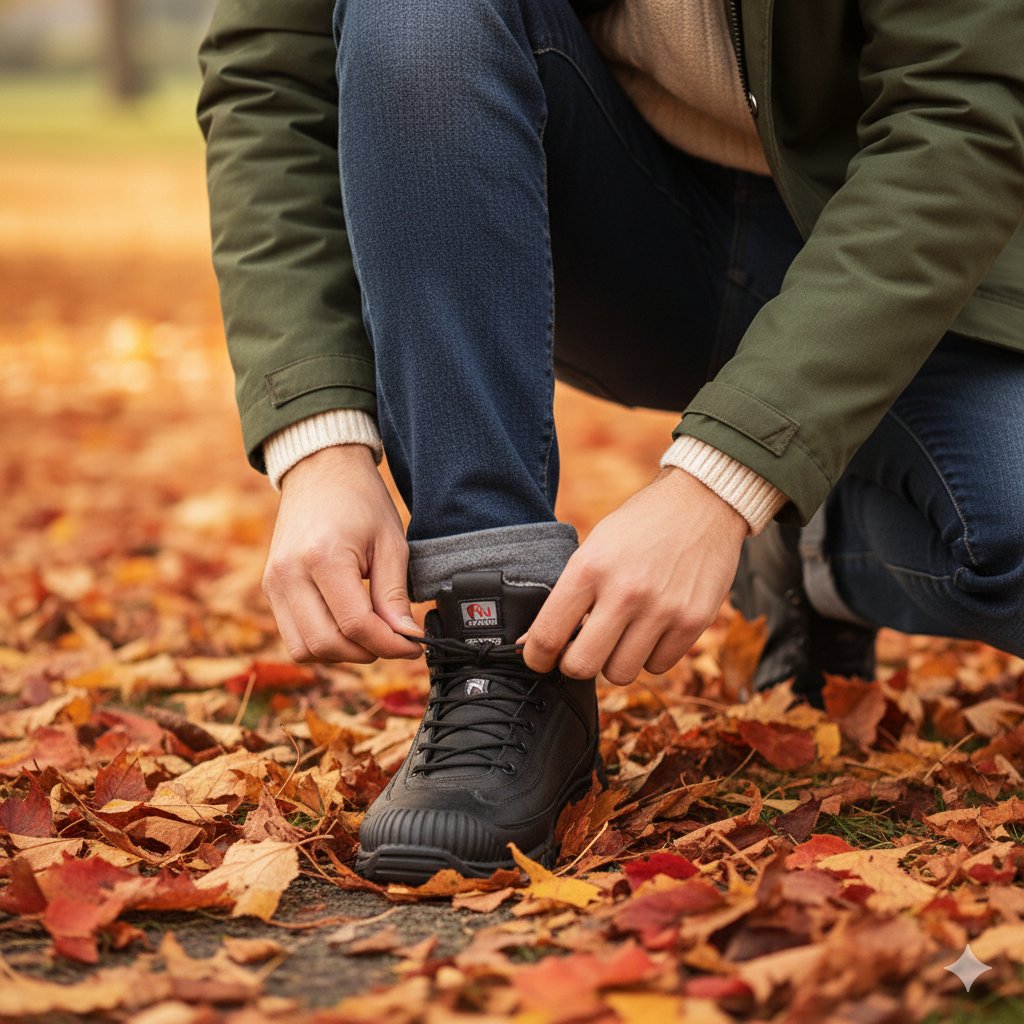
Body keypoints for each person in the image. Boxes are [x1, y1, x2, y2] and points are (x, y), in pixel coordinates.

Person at [199, 0, 1024, 883]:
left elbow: (960, 110)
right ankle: (497, 639)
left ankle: (814, 551)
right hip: (611, 224)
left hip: (915, 262)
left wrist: (730, 477)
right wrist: (318, 443)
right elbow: (272, 77)